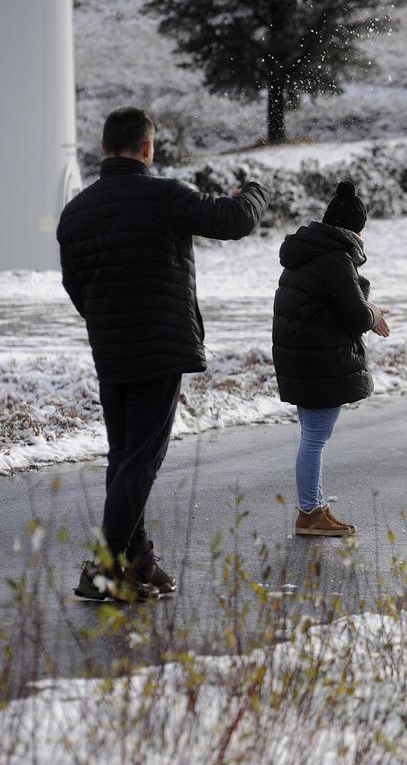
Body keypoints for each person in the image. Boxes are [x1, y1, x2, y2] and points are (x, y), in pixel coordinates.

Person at [59, 107, 269, 601]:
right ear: (148, 148)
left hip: (110, 348)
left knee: (126, 456)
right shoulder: (165, 196)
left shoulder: (76, 211)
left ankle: (139, 564)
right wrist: (254, 192)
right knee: (141, 460)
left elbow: (74, 285)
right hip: (159, 346)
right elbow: (235, 221)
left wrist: (106, 321)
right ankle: (105, 570)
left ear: (105, 148)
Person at [272, 180, 390, 536]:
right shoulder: (335, 258)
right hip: (318, 360)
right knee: (315, 438)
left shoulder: (308, 253)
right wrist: (374, 313)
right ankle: (309, 512)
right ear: (357, 229)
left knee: (312, 435)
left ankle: (316, 508)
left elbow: (332, 303)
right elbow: (353, 314)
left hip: (302, 357)